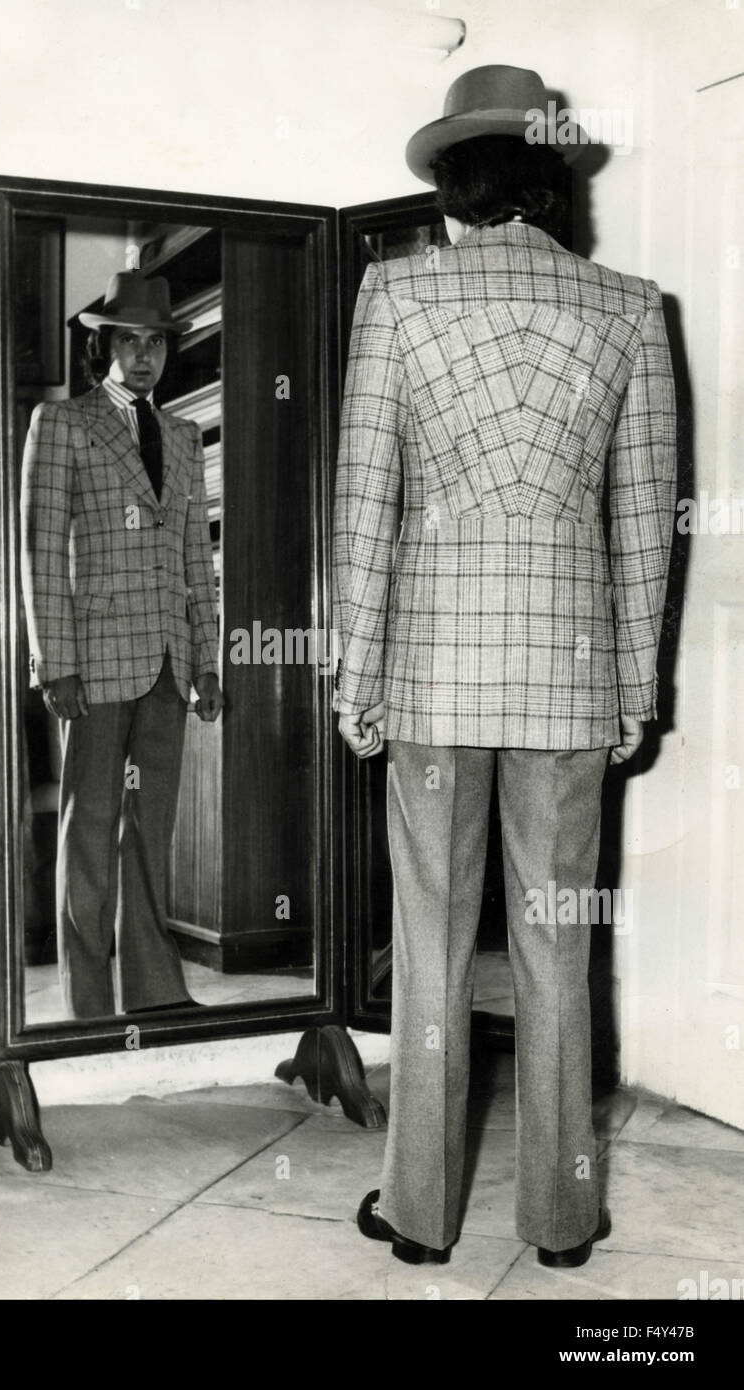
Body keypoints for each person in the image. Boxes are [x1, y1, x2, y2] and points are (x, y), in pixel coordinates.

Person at [333, 65, 676, 1267]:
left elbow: (363, 503)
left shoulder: (398, 294)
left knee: (429, 944)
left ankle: (419, 1215)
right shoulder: (631, 307)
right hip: (570, 680)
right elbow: (644, 527)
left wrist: (353, 672)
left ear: (449, 193)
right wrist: (635, 685)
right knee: (555, 946)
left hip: (430, 676)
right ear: (548, 185)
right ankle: (563, 1219)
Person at [21, 270, 223, 1020]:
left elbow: (194, 559)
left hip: (170, 661)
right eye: (129, 341)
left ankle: (155, 991)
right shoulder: (64, 424)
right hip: (95, 662)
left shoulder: (181, 433)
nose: (143, 357)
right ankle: (89, 1007)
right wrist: (55, 662)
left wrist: (207, 660)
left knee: (149, 832)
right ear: (102, 345)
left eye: (156, 343)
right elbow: (42, 551)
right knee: (89, 833)